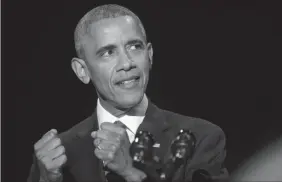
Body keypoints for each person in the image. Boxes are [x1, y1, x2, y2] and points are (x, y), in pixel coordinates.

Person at [27, 4, 228, 182]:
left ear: (149, 56)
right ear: (82, 70)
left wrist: (131, 173)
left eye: (134, 47)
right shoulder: (60, 154)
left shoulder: (202, 138)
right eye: (108, 52)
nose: (127, 63)